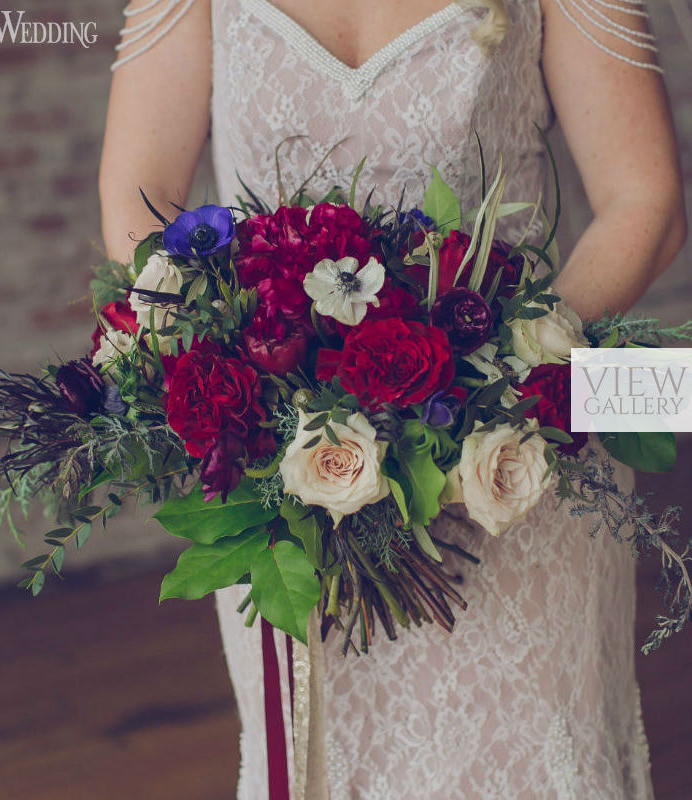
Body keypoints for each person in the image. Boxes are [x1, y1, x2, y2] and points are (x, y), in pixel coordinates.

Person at [99, 1, 686, 797]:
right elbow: (140, 197)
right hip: (293, 483)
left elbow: (645, 202)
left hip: (510, 470)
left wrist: (498, 379)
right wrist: (235, 360)